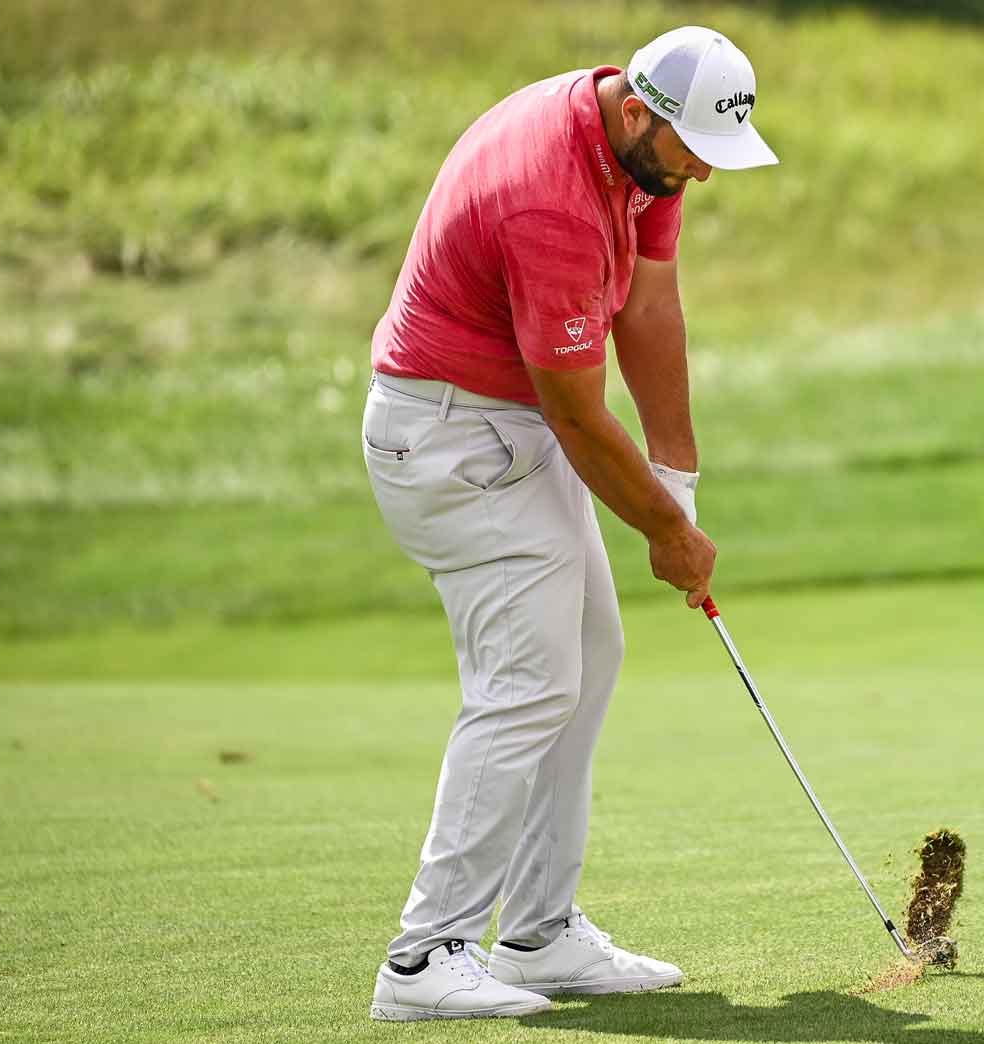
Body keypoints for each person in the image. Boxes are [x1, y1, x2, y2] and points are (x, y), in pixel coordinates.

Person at [357, 25, 777, 1022]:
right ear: (640, 113)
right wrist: (665, 538)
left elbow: (651, 307)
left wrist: (676, 480)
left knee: (587, 654)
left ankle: (538, 932)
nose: (702, 179)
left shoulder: (644, 161)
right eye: (694, 155)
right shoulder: (551, 198)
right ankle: (422, 961)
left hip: (502, 424)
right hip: (451, 439)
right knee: (527, 682)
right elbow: (578, 415)